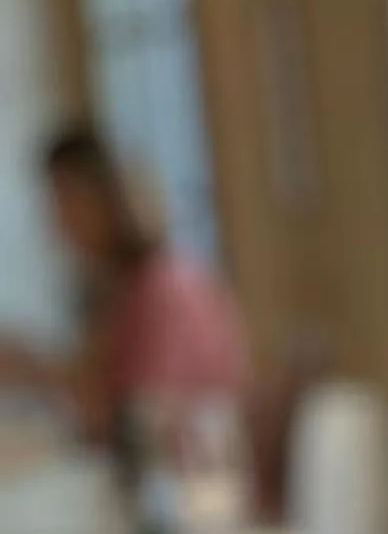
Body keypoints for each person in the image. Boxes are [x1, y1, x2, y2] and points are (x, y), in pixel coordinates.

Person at [0, 122, 247, 449]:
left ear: (103, 197)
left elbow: (137, 425)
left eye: (64, 202)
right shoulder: (116, 289)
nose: (57, 223)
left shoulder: (165, 289)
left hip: (198, 481)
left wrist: (38, 371)